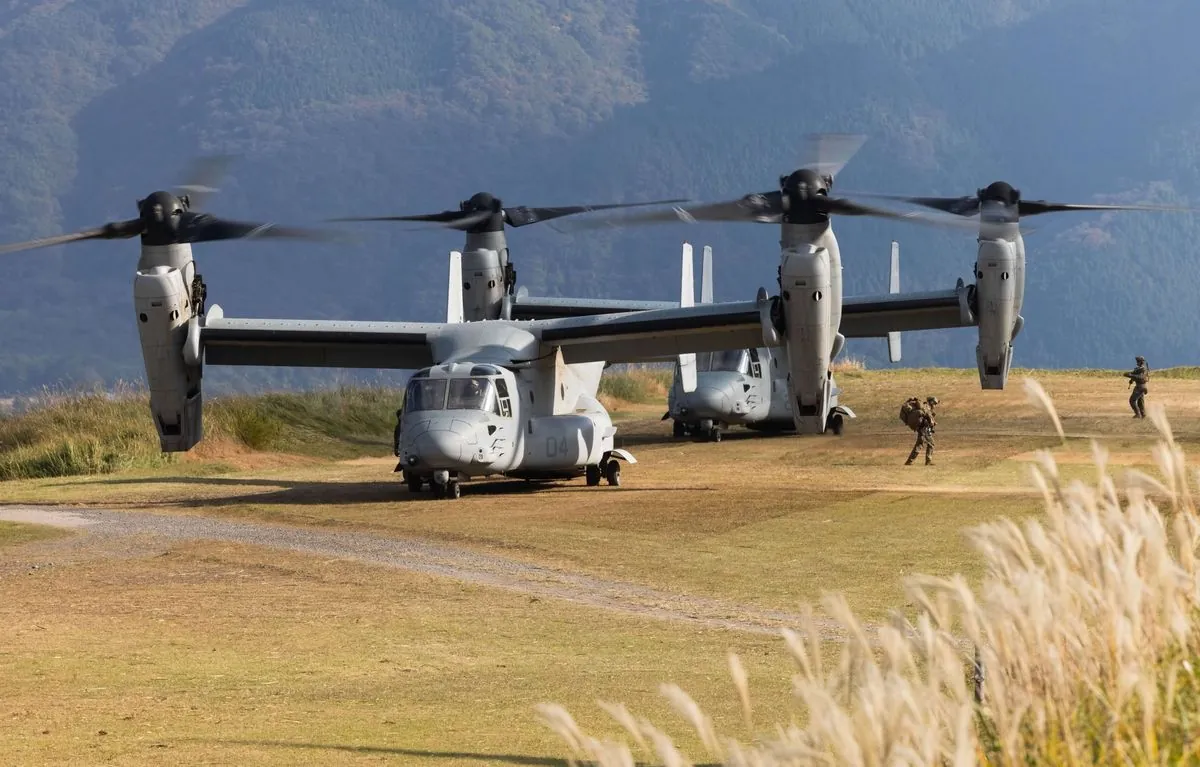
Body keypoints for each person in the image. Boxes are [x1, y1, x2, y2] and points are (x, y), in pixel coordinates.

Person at [906, 396, 938, 466]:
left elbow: (927, 416)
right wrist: (932, 421)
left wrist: (932, 422)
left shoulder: (926, 407)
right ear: (932, 402)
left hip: (923, 428)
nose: (935, 405)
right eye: (935, 403)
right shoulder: (927, 407)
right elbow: (927, 416)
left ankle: (909, 462)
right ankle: (928, 461)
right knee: (931, 444)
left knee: (919, 445)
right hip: (923, 429)